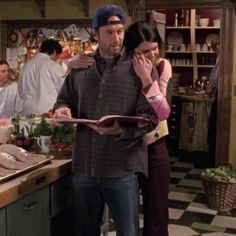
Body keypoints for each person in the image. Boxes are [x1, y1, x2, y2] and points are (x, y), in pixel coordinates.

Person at [53, 5, 158, 236]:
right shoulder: (80, 68)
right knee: (84, 230)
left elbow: (151, 119)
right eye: (109, 32)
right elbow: (62, 101)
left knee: (127, 232)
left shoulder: (140, 67)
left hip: (122, 168)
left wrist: (119, 129)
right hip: (84, 167)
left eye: (120, 31)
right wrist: (61, 111)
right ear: (96, 33)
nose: (117, 37)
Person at [124, 21, 172, 236]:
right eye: (145, 51)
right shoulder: (121, 68)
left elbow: (162, 111)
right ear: (131, 50)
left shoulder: (162, 66)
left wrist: (145, 78)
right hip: (128, 146)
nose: (152, 54)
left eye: (154, 48)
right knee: (125, 210)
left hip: (154, 145)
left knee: (157, 210)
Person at [18, 39, 66, 115]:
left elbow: (20, 93)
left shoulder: (26, 66)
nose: (57, 59)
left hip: (27, 112)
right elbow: (64, 91)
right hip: (47, 113)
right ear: (54, 52)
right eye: (58, 56)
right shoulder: (53, 66)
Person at [207, 38, 220, 167]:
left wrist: (212, 88)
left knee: (214, 127)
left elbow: (216, 78)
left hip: (219, 93)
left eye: (215, 48)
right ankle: (210, 157)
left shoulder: (222, 59)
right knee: (212, 127)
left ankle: (212, 159)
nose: (214, 51)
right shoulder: (218, 59)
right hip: (216, 93)